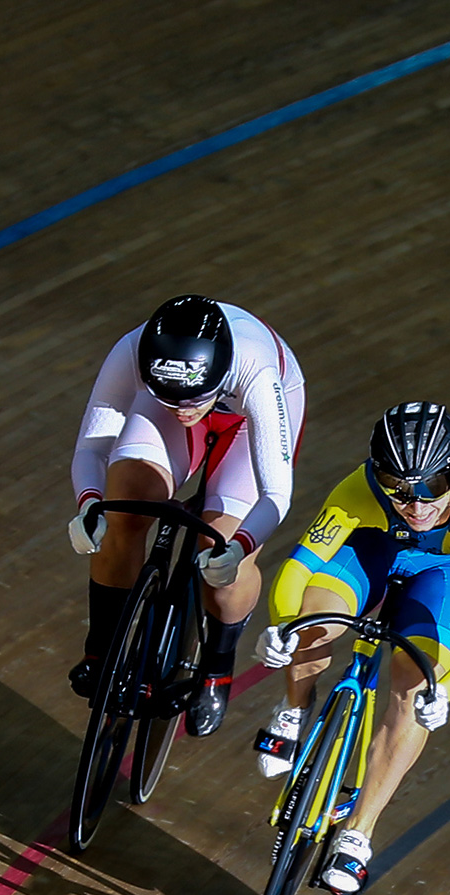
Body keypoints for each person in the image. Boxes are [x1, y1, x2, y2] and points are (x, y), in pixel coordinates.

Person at [252, 401, 450, 894]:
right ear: (378, 475)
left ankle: (357, 834)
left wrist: (446, 690)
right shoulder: (360, 490)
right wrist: (284, 625)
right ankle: (293, 707)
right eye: (398, 489)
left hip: (444, 571)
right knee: (315, 622)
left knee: (414, 692)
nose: (414, 506)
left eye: (430, 489)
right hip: (373, 544)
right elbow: (298, 569)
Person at [67, 295, 306, 735]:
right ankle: (100, 648)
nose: (184, 408)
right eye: (171, 396)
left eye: (194, 398)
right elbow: (92, 448)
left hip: (248, 421)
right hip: (178, 402)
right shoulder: (133, 352)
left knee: (221, 548)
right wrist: (89, 506)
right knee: (124, 508)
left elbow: (276, 494)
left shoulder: (255, 370)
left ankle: (217, 665)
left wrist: (241, 548)